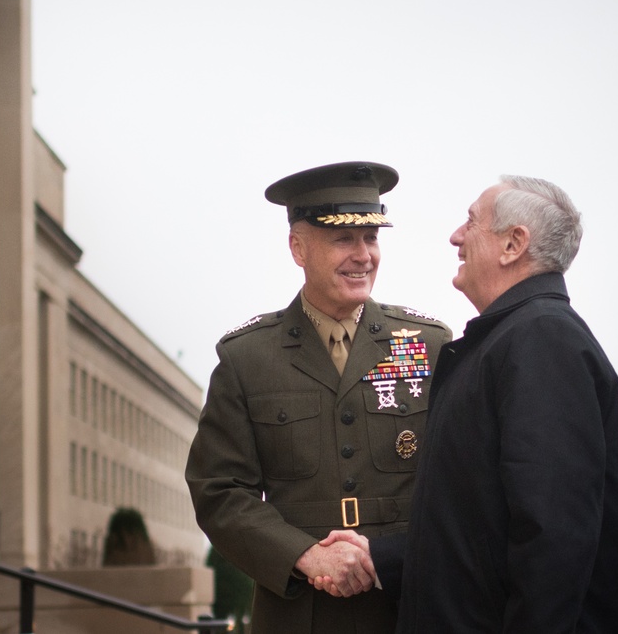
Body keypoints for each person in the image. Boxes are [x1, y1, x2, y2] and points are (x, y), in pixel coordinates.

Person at [322, 175, 618, 631]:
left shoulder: (543, 341)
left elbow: (553, 542)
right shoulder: (510, 342)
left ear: (513, 244)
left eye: (471, 222)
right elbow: (482, 535)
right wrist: (382, 556)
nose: (456, 236)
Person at [185, 161, 451, 634]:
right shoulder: (248, 357)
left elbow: (458, 486)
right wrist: (305, 556)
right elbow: (219, 490)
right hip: (301, 612)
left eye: (371, 238)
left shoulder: (427, 344)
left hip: (409, 608)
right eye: (343, 239)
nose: (363, 255)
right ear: (298, 247)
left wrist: (387, 557)